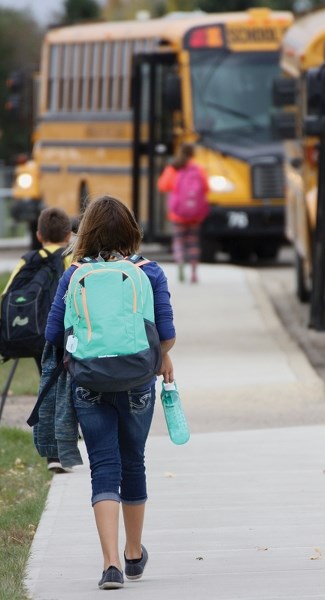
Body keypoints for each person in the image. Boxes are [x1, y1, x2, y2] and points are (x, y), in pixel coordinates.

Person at [45, 195, 176, 590]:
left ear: (86, 232)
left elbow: (53, 335)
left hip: (89, 381)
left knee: (104, 465)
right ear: (131, 231)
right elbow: (166, 336)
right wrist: (160, 357)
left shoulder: (74, 274)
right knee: (132, 460)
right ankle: (134, 554)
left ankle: (110, 564)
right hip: (137, 381)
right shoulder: (149, 272)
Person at [1, 206, 72, 473]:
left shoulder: (27, 259)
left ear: (39, 234)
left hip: (32, 335)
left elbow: (7, 296)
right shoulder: (70, 256)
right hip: (62, 336)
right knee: (64, 390)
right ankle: (59, 450)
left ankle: (53, 452)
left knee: (48, 386)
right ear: (68, 234)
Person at [158, 142, 209, 283]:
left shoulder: (174, 168)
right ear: (193, 153)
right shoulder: (198, 169)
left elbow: (162, 185)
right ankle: (193, 272)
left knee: (179, 241)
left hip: (178, 213)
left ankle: (180, 262)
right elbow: (206, 188)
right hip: (195, 214)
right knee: (193, 241)